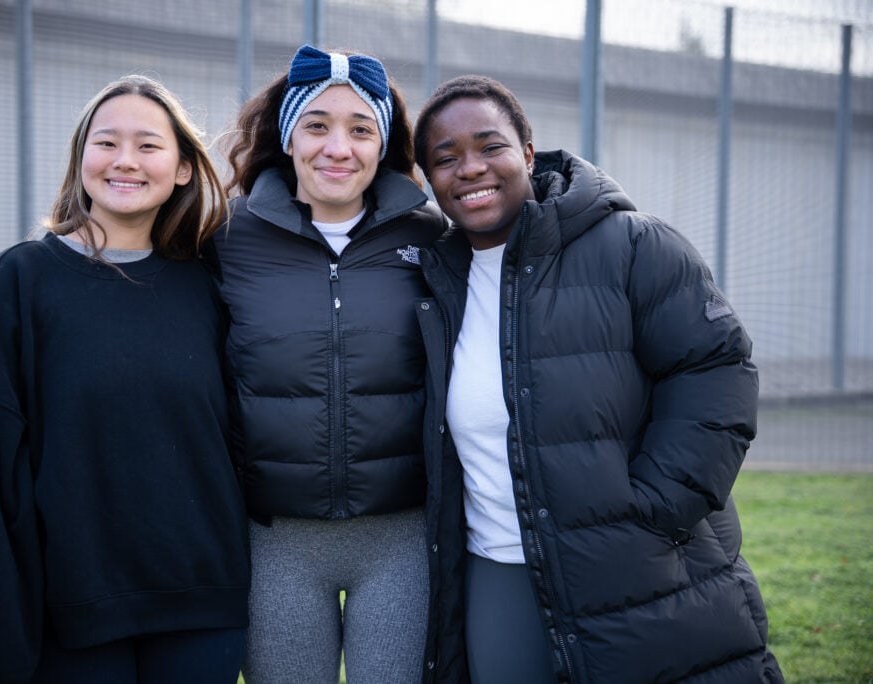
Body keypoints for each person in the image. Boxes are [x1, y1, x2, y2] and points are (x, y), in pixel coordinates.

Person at [412, 75, 785, 683]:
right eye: (446, 159)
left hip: (638, 565)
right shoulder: (435, 280)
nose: (470, 169)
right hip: (495, 572)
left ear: (528, 153)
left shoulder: (635, 245)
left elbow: (715, 369)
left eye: (491, 147)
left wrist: (658, 508)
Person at [0, 75, 249, 683]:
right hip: (71, 613)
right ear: (80, 158)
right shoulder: (20, 282)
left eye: (148, 145)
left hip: (202, 607)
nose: (125, 161)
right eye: (105, 142)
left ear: (185, 168)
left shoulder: (213, 286)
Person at [212, 45, 447, 684]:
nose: (337, 147)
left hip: (400, 539)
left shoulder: (433, 239)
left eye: (360, 129)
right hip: (274, 540)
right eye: (316, 125)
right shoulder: (224, 240)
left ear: (383, 143)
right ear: (286, 136)